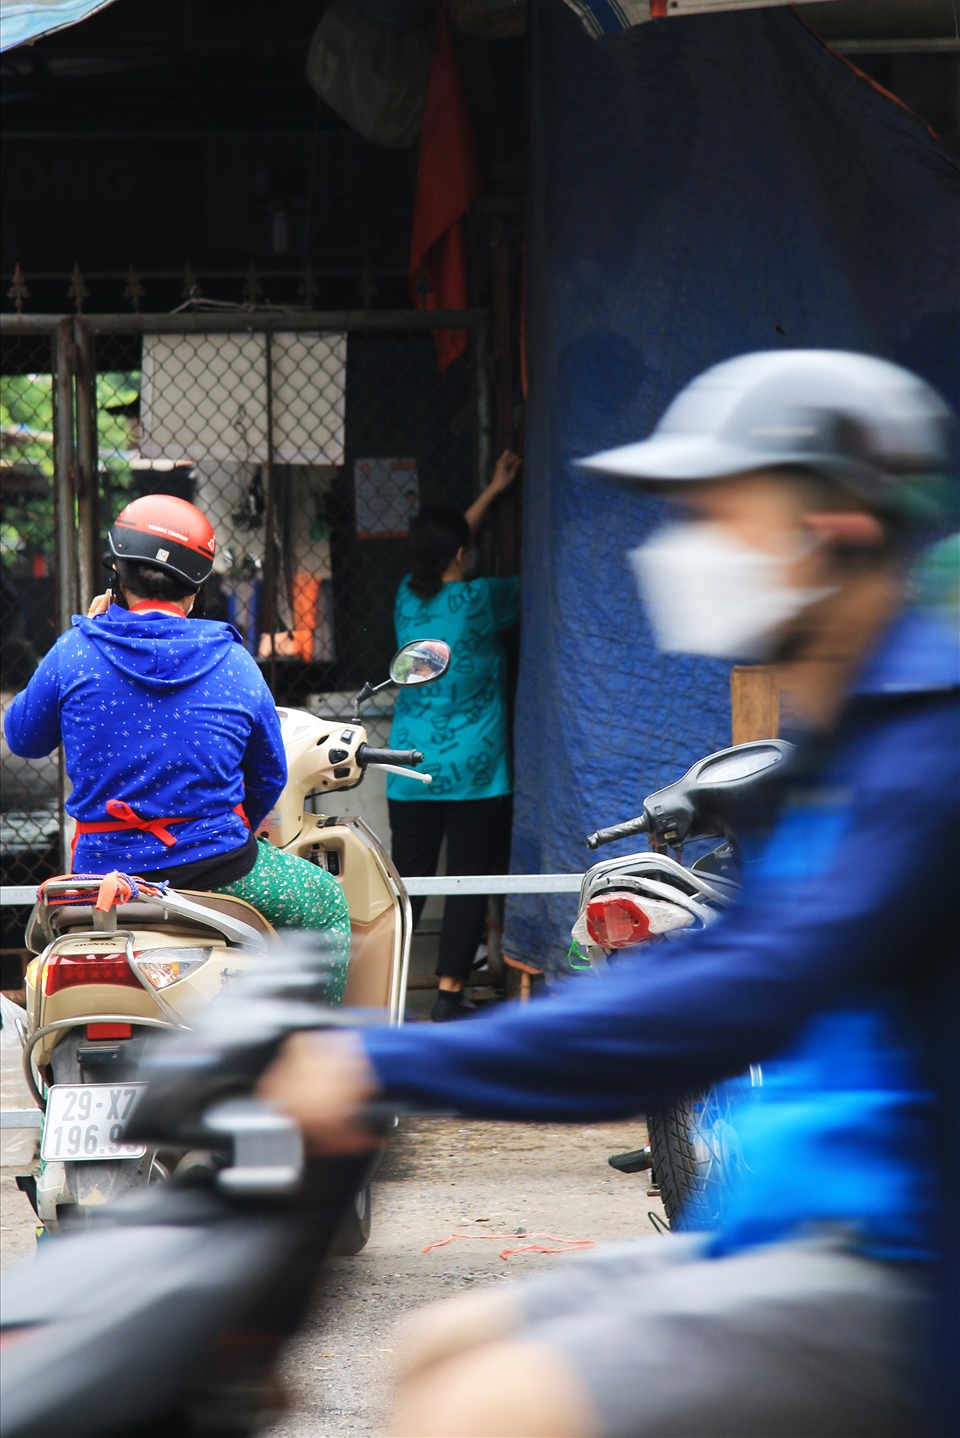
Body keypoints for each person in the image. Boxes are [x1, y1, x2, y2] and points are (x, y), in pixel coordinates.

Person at [260, 351, 958, 1437]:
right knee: (439, 1347)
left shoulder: (926, 749)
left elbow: (737, 995)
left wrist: (384, 1057)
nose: (688, 550)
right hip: (784, 1233)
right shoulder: (843, 737)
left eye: (721, 514)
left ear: (833, 529)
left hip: (899, 1272)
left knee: (485, 1406)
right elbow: (724, 958)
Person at [5, 493, 350, 1002]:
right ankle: (314, 1054)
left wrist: (88, 633)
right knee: (323, 902)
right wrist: (233, 829)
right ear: (195, 589)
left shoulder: (75, 651)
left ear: (117, 576)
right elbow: (269, 776)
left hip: (102, 872)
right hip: (216, 870)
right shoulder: (235, 663)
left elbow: (22, 737)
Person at [387, 450, 521, 1021]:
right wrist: (497, 495)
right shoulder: (483, 600)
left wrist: (489, 493)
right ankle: (448, 995)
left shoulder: (404, 600)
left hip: (409, 768)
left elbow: (440, 548)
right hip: (475, 773)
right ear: (463, 556)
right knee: (469, 881)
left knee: (408, 886)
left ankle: (389, 989)